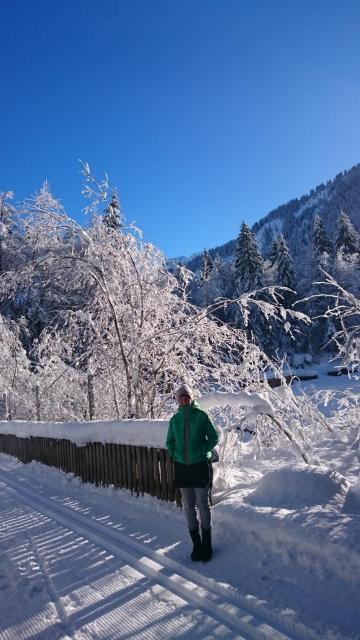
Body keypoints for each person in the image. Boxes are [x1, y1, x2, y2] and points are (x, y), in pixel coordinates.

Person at [166, 384, 219, 562]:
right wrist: (175, 453)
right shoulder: (174, 420)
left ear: (191, 398)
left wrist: (201, 451)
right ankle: (196, 545)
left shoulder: (201, 416)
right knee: (188, 507)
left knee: (203, 505)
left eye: (186, 396)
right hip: (182, 468)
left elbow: (213, 437)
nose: (183, 399)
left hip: (200, 466)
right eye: (180, 397)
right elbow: (169, 442)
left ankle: (207, 544)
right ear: (178, 400)